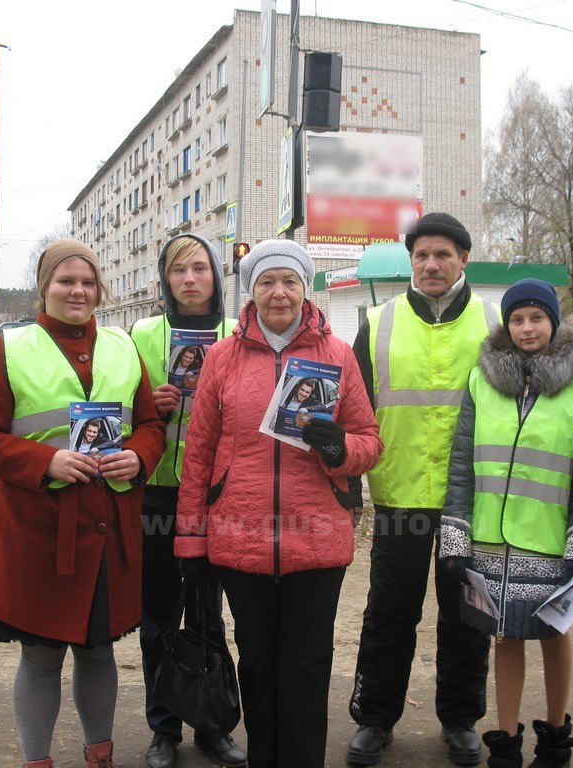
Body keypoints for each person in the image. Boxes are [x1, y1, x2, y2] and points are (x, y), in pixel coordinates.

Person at [0, 239, 167, 768]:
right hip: (38, 529)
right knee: (41, 655)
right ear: (45, 287)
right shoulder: (13, 347)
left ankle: (101, 755)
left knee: (98, 650)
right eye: (66, 281)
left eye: (88, 282)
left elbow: (149, 424)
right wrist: (44, 461)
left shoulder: (122, 345)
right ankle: (38, 761)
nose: (78, 291)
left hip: (108, 528)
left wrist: (140, 456)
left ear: (100, 290)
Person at [175, 239, 383, 768]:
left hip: (317, 538)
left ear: (305, 288)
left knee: (307, 667)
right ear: (252, 291)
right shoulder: (222, 358)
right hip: (240, 537)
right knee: (258, 665)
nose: (279, 293)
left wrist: (339, 448)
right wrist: (190, 538)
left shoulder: (337, 355)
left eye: (290, 281)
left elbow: (369, 441)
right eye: (267, 282)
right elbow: (199, 454)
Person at [347, 212, 498, 767]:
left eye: (443, 255)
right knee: (389, 613)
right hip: (398, 495)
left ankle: (460, 720)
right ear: (411, 261)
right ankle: (375, 718)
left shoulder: (495, 322)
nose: (431, 265)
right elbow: (353, 410)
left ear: (464, 260)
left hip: (471, 499)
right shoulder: (378, 322)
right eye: (422, 256)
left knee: (466, 616)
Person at [439, 278, 573, 768]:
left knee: (554, 634)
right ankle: (505, 742)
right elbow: (462, 466)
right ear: (506, 326)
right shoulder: (481, 380)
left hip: (549, 542)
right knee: (505, 636)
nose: (527, 328)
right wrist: (455, 539)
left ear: (554, 322)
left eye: (537, 318)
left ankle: (554, 738)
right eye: (517, 319)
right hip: (491, 542)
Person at [129, 233, 244, 768]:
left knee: (207, 615)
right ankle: (163, 728)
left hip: (215, 498)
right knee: (158, 617)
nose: (190, 278)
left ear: (216, 276)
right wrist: (149, 408)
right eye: (179, 270)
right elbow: (115, 412)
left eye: (200, 268)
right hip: (156, 493)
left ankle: (211, 724)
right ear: (165, 280)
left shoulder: (237, 334)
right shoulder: (141, 334)